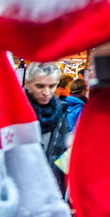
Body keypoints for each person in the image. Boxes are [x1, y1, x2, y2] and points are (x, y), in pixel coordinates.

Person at [24, 61, 70, 193]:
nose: (46, 92)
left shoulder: (60, 112)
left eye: (52, 86)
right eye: (40, 86)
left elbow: (63, 152)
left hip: (49, 186)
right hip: (21, 185)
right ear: (28, 83)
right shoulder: (13, 110)